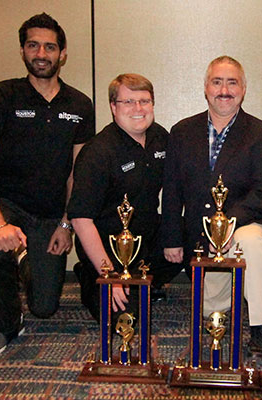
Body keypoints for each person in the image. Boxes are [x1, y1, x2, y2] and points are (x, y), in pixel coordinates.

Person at [0, 13, 95, 362]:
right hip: (9, 205)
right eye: (33, 45)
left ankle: (24, 264)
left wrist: (66, 224)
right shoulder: (3, 94)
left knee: (45, 308)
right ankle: (7, 324)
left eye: (50, 46)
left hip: (51, 214)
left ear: (62, 53)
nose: (41, 52)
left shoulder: (80, 105)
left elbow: (78, 172)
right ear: (23, 50)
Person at [160, 56, 262, 359]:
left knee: (249, 242)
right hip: (199, 234)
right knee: (212, 311)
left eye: (232, 82)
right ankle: (227, 306)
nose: (224, 90)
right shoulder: (182, 131)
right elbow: (172, 191)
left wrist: (227, 225)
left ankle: (261, 325)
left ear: (244, 89)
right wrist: (172, 239)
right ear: (205, 87)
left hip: (248, 222)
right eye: (217, 81)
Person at [68, 73, 181, 321]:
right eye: (128, 102)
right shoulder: (97, 153)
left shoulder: (161, 138)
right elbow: (80, 220)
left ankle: (146, 282)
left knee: (191, 234)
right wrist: (110, 276)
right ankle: (92, 277)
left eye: (144, 101)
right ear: (113, 107)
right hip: (108, 247)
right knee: (124, 319)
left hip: (146, 239)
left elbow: (178, 186)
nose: (138, 108)